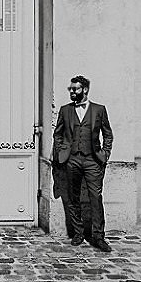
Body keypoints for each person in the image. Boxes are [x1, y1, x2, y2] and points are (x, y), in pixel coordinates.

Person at [52, 74, 114, 252]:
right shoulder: (65, 110)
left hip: (92, 160)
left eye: (75, 89)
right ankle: (78, 233)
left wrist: (105, 154)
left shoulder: (99, 110)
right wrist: (62, 151)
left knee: (96, 197)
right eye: (70, 89)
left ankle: (98, 236)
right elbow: (58, 134)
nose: (72, 91)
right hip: (72, 160)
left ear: (85, 90)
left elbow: (107, 134)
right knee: (73, 198)